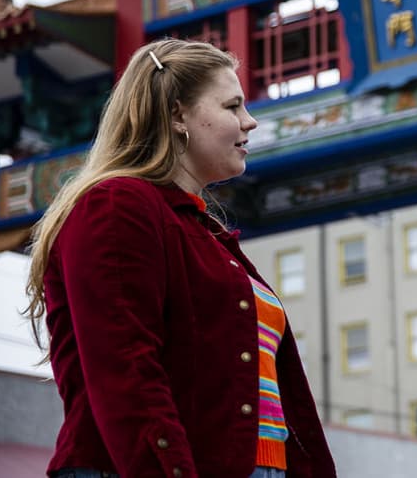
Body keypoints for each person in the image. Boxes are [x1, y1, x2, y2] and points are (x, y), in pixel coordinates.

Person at [23, 40, 337, 478]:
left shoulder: (204, 231)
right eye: (232, 106)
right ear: (175, 114)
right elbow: (128, 372)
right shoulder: (116, 206)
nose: (251, 121)